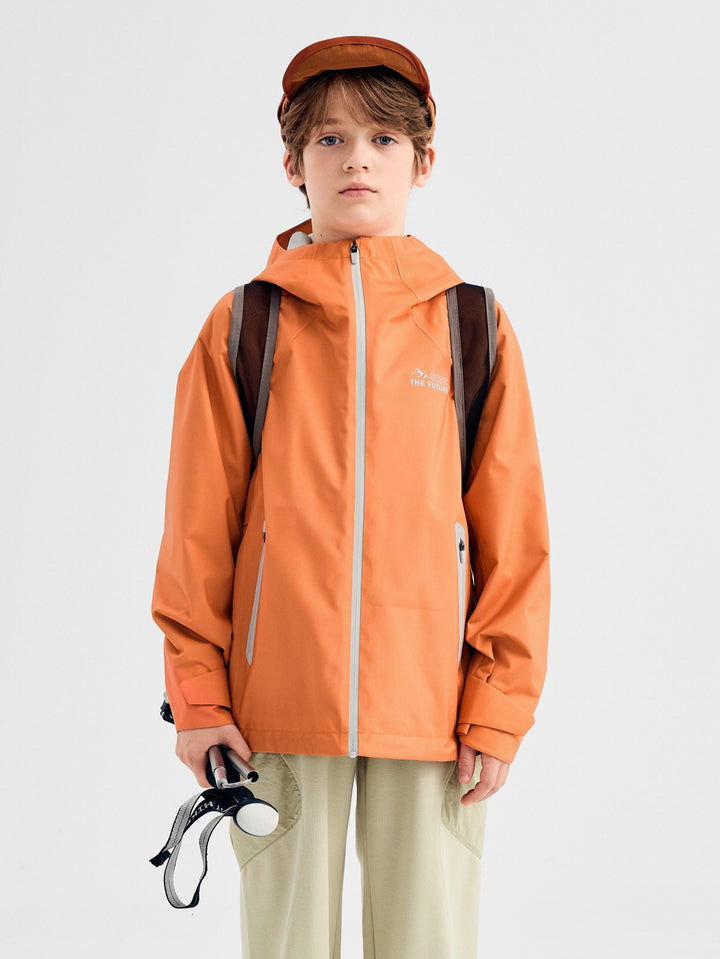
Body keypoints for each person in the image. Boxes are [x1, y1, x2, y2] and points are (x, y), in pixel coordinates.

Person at [152, 35, 550, 959]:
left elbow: (515, 536)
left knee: (427, 944)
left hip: (435, 708)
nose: (356, 159)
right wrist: (200, 699)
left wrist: (498, 702)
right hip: (276, 707)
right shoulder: (244, 324)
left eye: (382, 139)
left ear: (423, 161)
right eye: (329, 139)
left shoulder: (472, 324)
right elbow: (196, 533)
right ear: (293, 163)